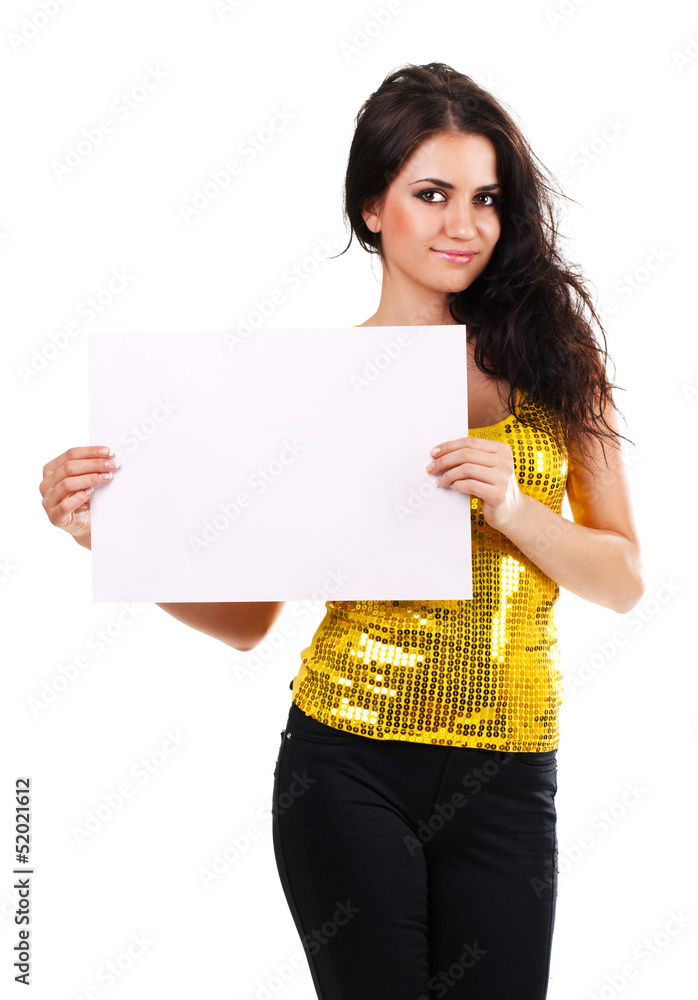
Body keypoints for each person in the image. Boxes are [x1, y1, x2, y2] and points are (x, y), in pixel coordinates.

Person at [40, 62, 644, 1000]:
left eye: (486, 198)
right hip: (346, 764)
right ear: (372, 207)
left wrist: (517, 509)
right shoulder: (322, 381)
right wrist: (111, 539)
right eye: (431, 194)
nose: (463, 224)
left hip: (510, 769)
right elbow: (249, 622)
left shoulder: (560, 361)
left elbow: (623, 580)